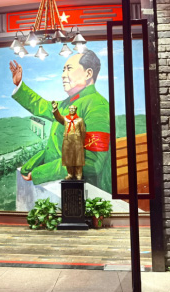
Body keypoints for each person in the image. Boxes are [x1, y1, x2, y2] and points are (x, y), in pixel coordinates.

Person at [9, 50, 111, 193]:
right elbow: (40, 105)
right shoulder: (66, 104)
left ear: (88, 74)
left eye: (69, 69)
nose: (63, 75)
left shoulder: (97, 106)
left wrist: (41, 173)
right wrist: (20, 84)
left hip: (85, 190)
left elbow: (91, 162)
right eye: (63, 70)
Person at [52, 102, 86, 181]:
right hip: (67, 141)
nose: (71, 110)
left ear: (76, 110)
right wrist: (55, 109)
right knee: (68, 158)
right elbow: (58, 117)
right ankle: (70, 174)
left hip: (77, 141)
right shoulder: (65, 119)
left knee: (78, 158)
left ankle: (78, 174)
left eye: (73, 109)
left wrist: (81, 142)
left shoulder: (80, 120)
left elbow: (83, 132)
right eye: (70, 109)